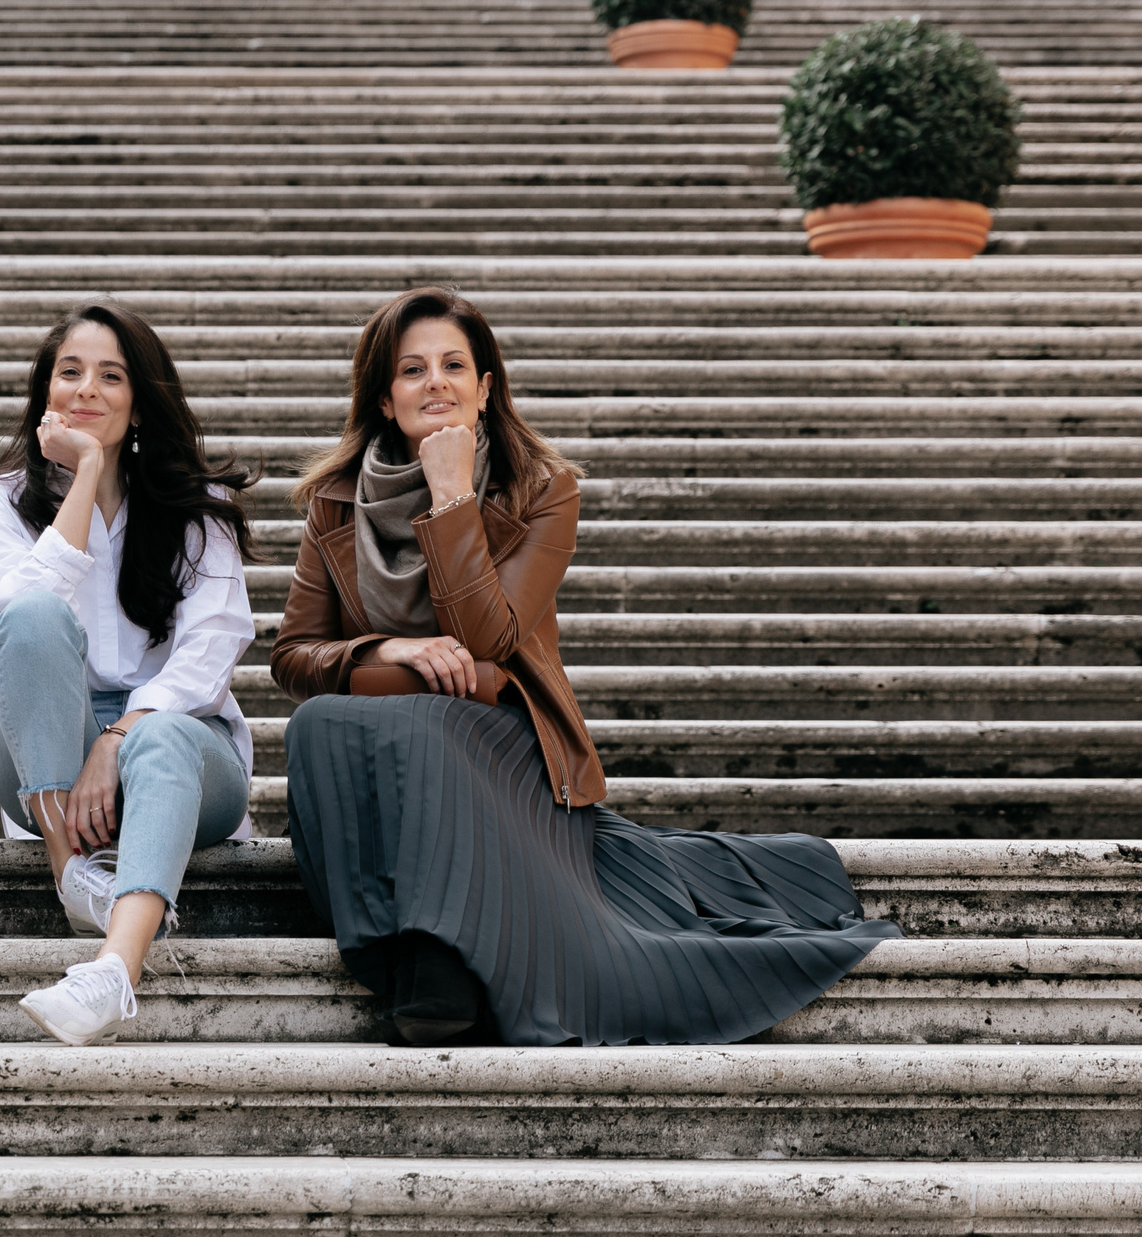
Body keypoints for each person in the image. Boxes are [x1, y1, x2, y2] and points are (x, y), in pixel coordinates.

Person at [272, 286, 900, 1047]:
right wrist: (387, 651)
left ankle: (433, 965)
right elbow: (295, 657)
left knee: (411, 724)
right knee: (321, 723)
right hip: (390, 735)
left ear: (486, 387)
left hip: (502, 740)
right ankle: (411, 951)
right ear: (383, 395)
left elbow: (490, 641)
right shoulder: (335, 503)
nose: (434, 381)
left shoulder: (542, 491)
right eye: (412, 369)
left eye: (453, 365)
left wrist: (449, 497)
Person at [0, 303, 256, 1046]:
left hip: (183, 748)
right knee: (31, 616)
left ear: (141, 397)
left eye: (112, 375)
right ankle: (72, 873)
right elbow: (21, 611)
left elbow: (213, 645)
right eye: (71, 372)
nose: (88, 388)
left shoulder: (197, 509)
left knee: (162, 741)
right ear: (45, 393)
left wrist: (121, 733)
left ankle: (114, 970)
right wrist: (86, 471)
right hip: (44, 757)